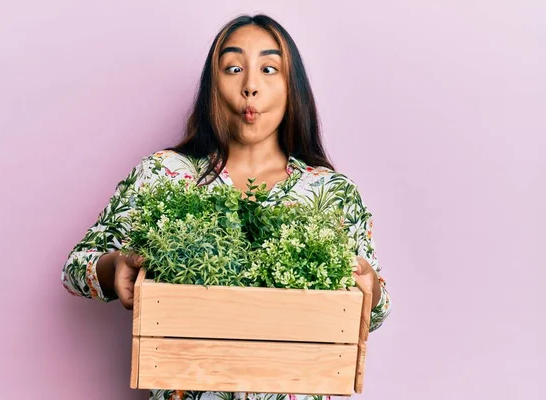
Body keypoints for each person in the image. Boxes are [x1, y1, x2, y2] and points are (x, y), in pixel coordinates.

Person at [61, 13, 392, 400]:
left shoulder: (332, 192)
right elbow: (75, 267)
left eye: (269, 69)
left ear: (292, 87)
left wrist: (372, 288)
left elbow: (374, 312)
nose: (250, 86)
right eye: (233, 68)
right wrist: (114, 266)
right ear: (212, 87)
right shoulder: (165, 174)